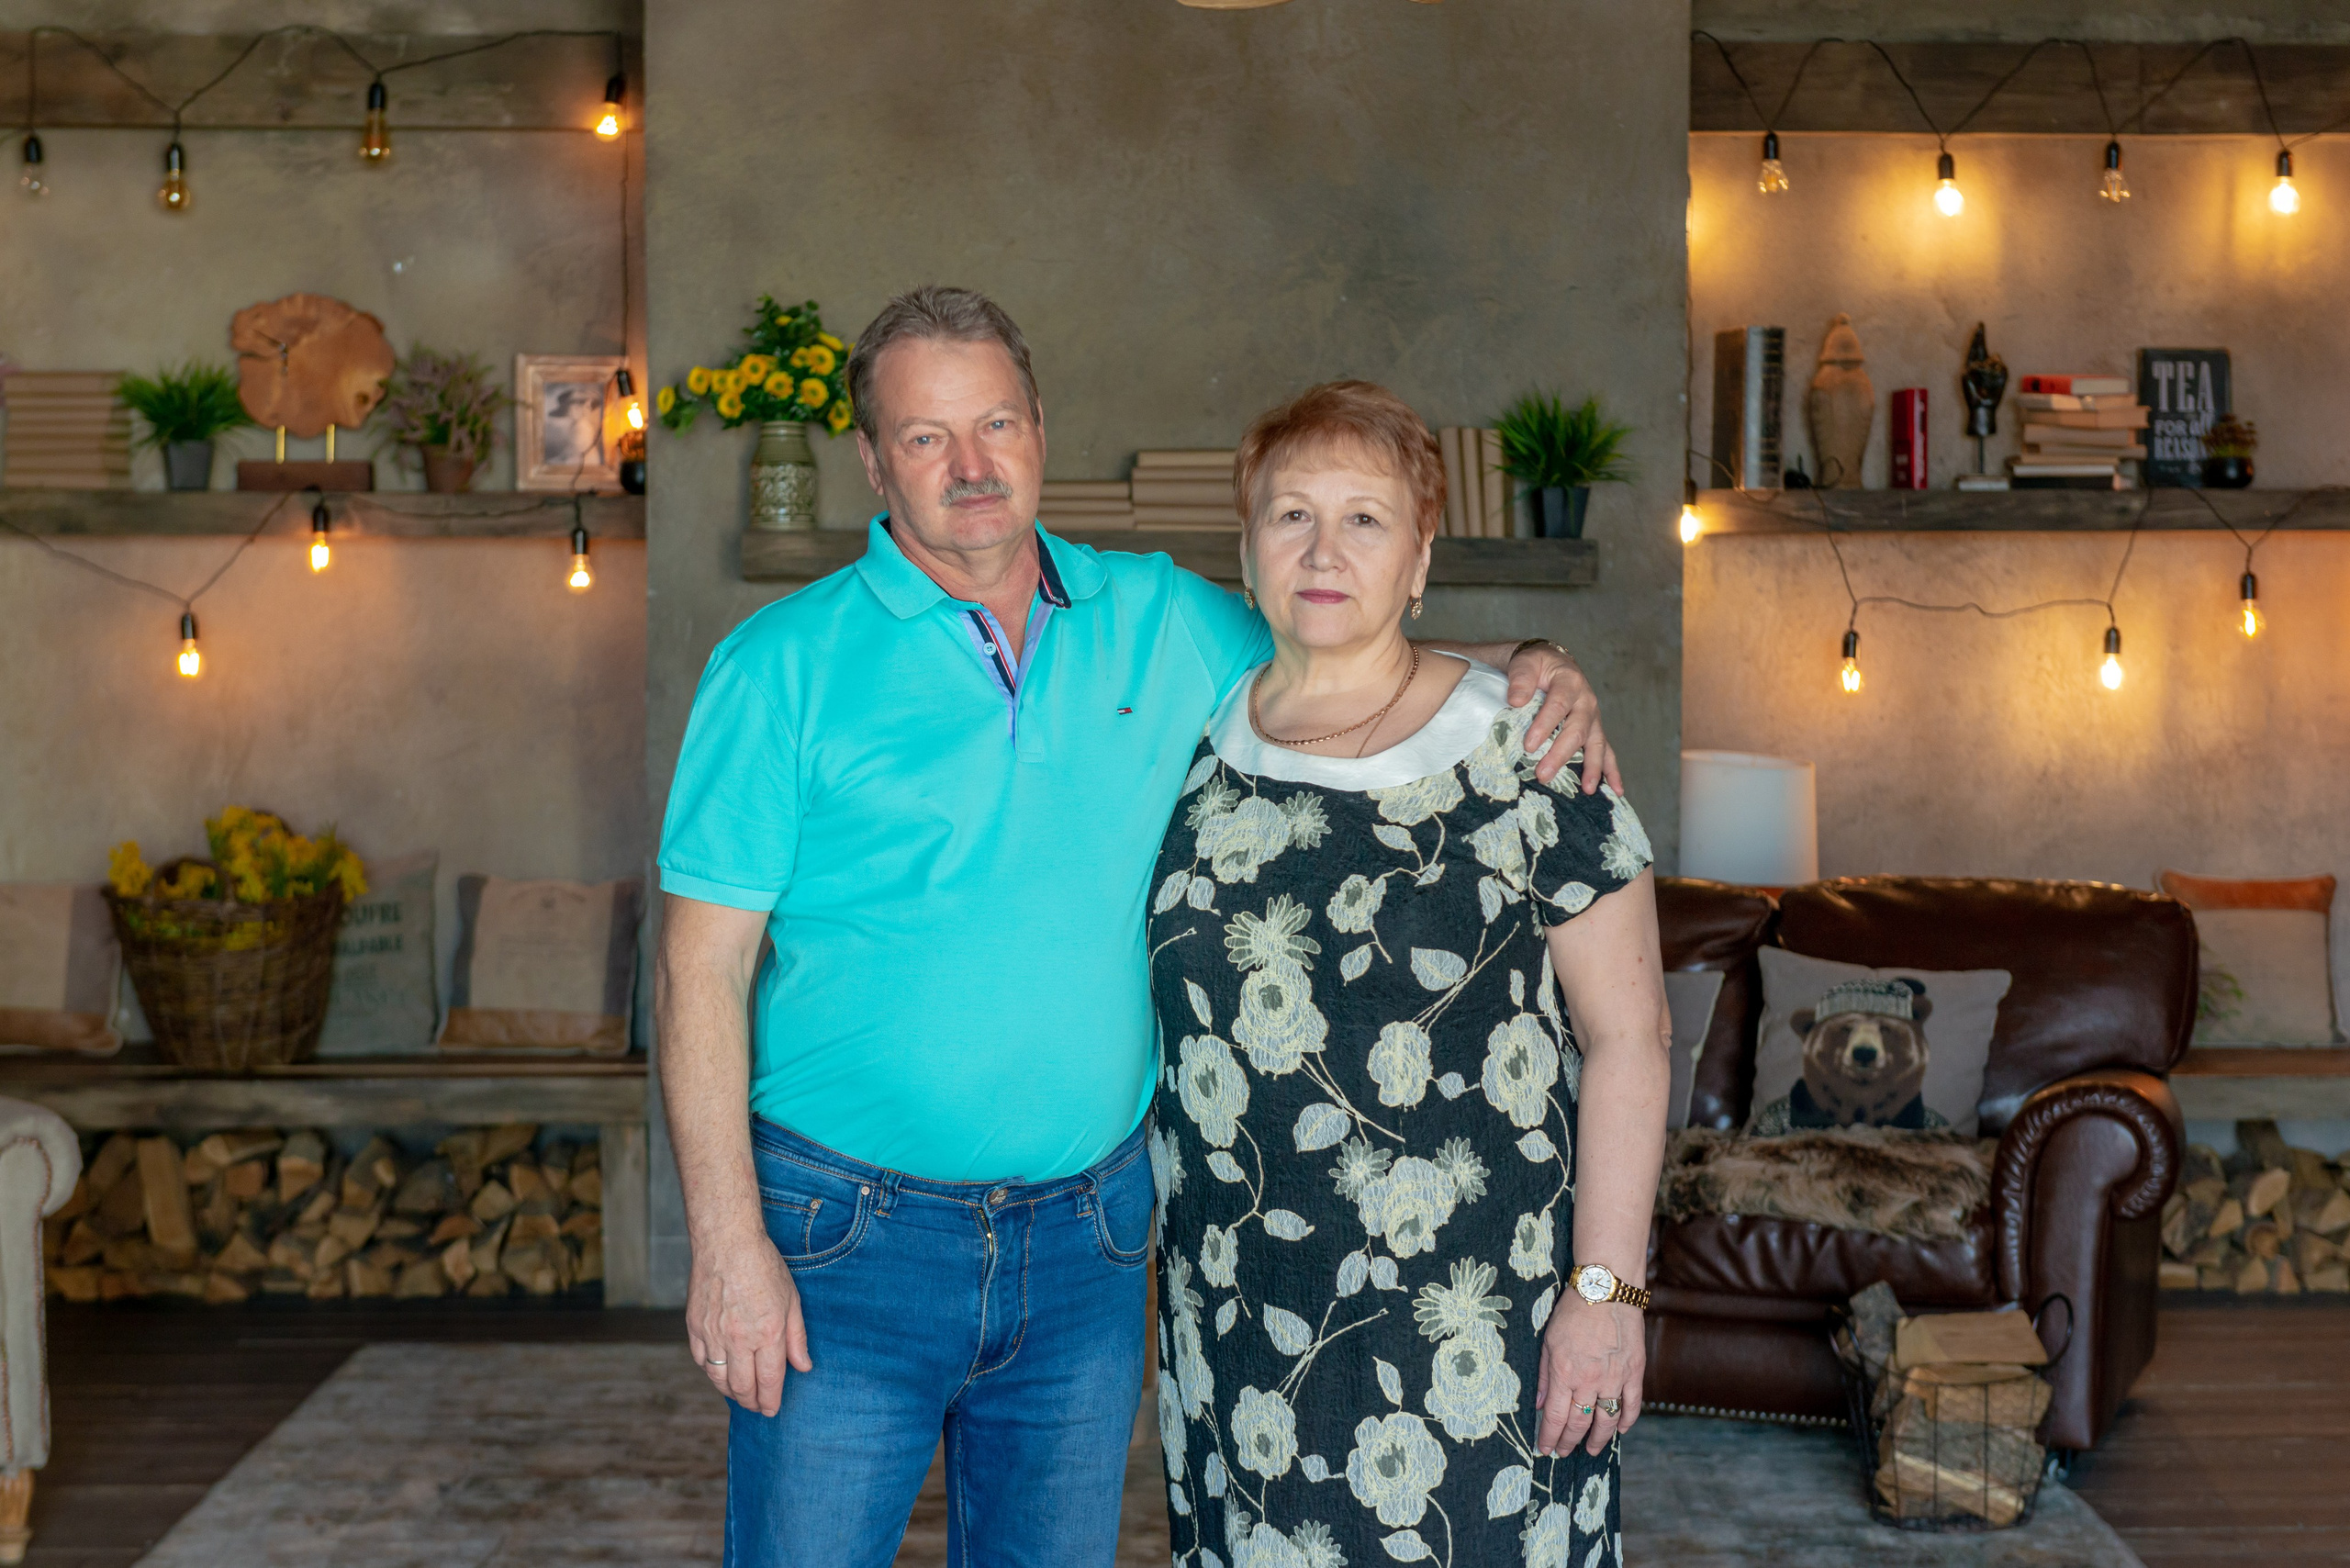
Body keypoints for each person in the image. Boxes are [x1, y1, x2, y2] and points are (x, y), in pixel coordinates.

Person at [655, 286, 1624, 1566]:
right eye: (927, 435)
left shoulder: (1160, 619)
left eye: (995, 423)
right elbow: (697, 972)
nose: (971, 465)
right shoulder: (777, 664)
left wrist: (1538, 665)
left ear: (1041, 427)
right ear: (871, 458)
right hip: (846, 1244)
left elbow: (1354, 659)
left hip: (1088, 1247)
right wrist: (729, 1243)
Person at [1147, 381, 1669, 1568]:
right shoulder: (1195, 743)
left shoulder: (1527, 745)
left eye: (1366, 520)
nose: (1324, 550)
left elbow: (1631, 1038)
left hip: (1482, 1329)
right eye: (1291, 517)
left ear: (1422, 554)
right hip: (1240, 1324)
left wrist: (1607, 1295)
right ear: (1246, 546)